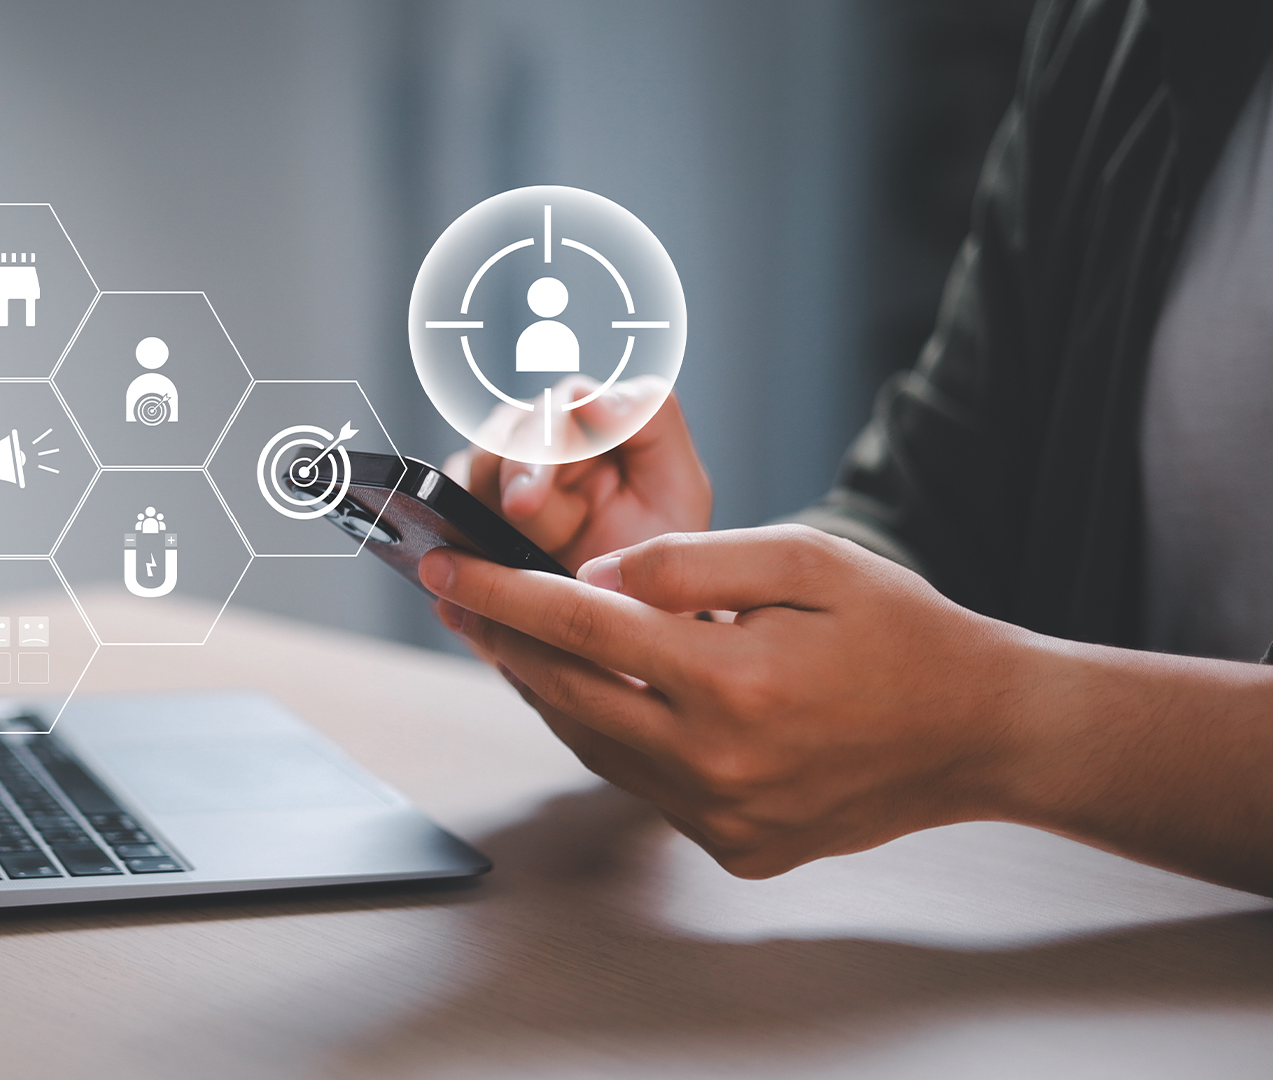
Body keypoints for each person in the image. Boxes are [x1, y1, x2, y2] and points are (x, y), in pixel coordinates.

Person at [427, 0, 1273, 897]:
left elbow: (971, 693)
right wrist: (686, 617)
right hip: (1102, 953)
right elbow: (943, 514)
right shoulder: (1123, 31)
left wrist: (1000, 728)